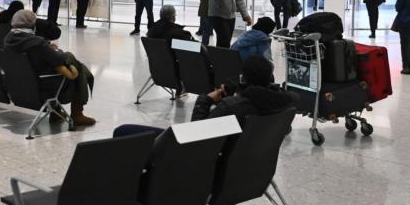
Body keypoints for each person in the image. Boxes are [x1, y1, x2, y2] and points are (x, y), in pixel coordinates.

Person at [112, 55, 297, 137]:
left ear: (244, 77)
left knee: (123, 131)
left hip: (199, 160)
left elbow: (197, 135)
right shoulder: (284, 104)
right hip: (248, 167)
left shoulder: (232, 107)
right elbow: (255, 99)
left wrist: (205, 100)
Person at [3, 9, 96, 127]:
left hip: (21, 84)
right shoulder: (36, 43)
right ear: (33, 24)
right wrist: (51, 49)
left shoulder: (8, 39)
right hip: (44, 85)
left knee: (72, 65)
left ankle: (57, 113)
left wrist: (47, 48)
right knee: (76, 67)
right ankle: (77, 114)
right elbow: (59, 58)